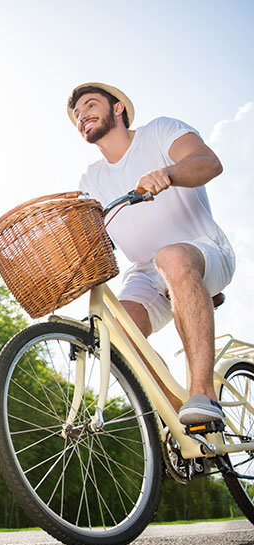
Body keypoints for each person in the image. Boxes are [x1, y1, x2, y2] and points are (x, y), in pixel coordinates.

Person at [67, 82, 234, 425]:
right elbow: (89, 239)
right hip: (146, 272)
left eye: (90, 105)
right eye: (77, 113)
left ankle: (204, 395)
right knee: (113, 333)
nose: (82, 115)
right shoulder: (91, 179)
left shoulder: (159, 131)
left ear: (117, 108)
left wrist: (169, 174)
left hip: (202, 249)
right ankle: (180, 415)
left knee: (171, 257)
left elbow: (208, 162)